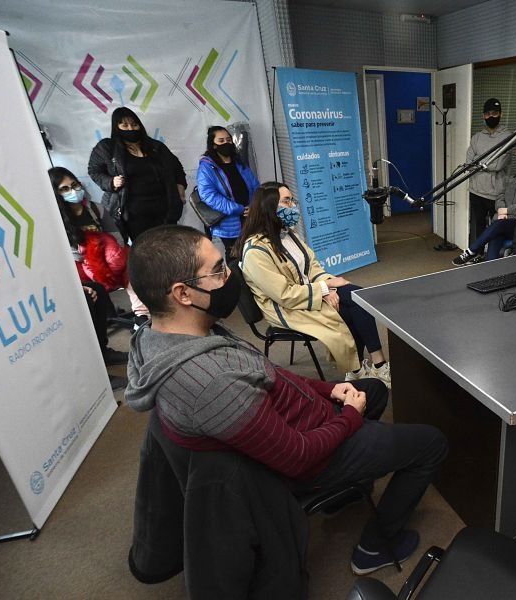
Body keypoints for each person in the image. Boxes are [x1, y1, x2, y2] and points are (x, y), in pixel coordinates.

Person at [125, 224, 447, 575]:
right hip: (308, 457)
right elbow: (297, 457)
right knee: (431, 444)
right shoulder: (210, 382)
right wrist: (350, 417)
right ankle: (375, 548)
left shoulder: (183, 334)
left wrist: (328, 390)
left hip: (300, 417)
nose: (230, 276)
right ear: (183, 293)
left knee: (374, 390)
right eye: (218, 270)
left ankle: (348, 485)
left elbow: (268, 373)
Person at [235, 182, 391, 386]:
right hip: (285, 307)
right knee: (349, 308)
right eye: (286, 201)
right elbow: (284, 295)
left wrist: (327, 285)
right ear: (269, 207)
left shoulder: (288, 234)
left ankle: (369, 367)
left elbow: (312, 267)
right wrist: (324, 289)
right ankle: (364, 369)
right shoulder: (256, 251)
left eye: (292, 200)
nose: (293, 206)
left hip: (306, 292)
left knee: (357, 297)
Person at [88, 107, 187, 327]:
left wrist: (180, 186)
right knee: (149, 258)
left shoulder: (155, 147)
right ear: (116, 126)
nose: (130, 128)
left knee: (170, 254)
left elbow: (176, 166)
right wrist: (110, 182)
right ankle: (155, 304)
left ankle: (175, 297)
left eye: (133, 124)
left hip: (165, 211)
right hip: (134, 215)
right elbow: (94, 170)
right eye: (124, 125)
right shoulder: (107, 148)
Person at [47, 166, 128, 371]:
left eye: (74, 185)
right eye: (65, 189)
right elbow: (67, 254)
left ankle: (140, 317)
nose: (73, 191)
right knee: (94, 292)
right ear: (56, 194)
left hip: (107, 258)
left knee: (132, 270)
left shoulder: (95, 209)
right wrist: (91, 261)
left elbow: (116, 236)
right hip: (78, 266)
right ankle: (98, 354)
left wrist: (112, 258)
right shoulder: (54, 219)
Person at [453, 145, 516, 265]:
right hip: (503, 220)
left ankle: (471, 251)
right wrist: (501, 210)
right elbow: (500, 195)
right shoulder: (512, 177)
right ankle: (489, 266)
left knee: (498, 225)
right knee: (493, 250)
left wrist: (507, 211)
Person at [195, 126, 260, 257]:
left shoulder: (239, 162)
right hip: (229, 222)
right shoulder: (207, 167)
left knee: (254, 253)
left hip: (250, 217)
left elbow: (255, 186)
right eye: (221, 140)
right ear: (213, 145)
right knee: (235, 255)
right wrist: (238, 209)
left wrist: (255, 205)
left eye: (228, 140)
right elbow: (209, 195)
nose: (226, 143)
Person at [466, 98, 510, 247]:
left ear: (501, 114)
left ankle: (492, 255)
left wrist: (478, 160)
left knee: (496, 227)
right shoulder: (477, 137)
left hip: (496, 193)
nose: (491, 116)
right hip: (476, 190)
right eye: (488, 114)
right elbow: (469, 164)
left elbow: (498, 164)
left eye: (495, 113)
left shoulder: (508, 137)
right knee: (477, 226)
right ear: (483, 116)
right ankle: (476, 253)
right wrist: (487, 161)